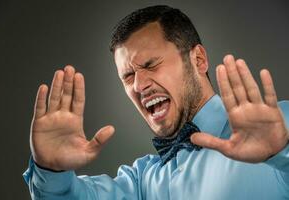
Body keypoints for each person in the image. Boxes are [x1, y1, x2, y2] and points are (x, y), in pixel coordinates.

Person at [23, 5, 289, 200]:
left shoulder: (281, 128)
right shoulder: (141, 182)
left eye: (151, 65)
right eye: (128, 76)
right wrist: (51, 171)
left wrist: (282, 154)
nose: (139, 85)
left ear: (198, 60)